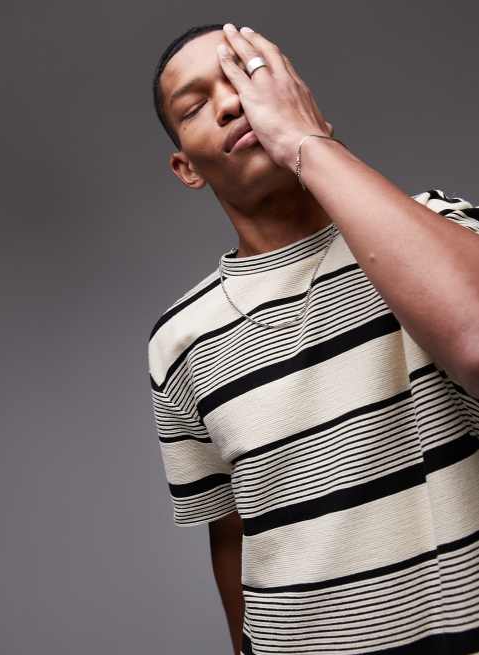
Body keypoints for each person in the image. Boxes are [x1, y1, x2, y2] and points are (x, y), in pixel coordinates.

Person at [147, 21, 479, 655]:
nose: (231, 102)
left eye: (247, 75)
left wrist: (306, 141)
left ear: (294, 95)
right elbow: (231, 531)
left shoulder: (437, 226)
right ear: (186, 168)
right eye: (195, 106)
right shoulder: (178, 341)